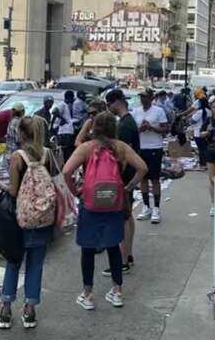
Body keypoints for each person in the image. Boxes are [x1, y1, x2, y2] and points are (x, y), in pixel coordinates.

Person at [63, 112, 148, 311]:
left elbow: (66, 171)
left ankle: (88, 294)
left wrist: (77, 192)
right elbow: (142, 168)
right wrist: (127, 187)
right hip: (114, 203)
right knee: (113, 246)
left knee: (88, 248)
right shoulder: (121, 147)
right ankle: (117, 292)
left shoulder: (86, 148)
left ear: (95, 127)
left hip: (91, 203)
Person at [0, 116, 55, 329]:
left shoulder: (18, 157)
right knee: (35, 265)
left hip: (21, 219)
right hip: (44, 219)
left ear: (21, 134)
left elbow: (14, 191)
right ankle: (29, 310)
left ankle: (6, 310)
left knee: (13, 262)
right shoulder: (48, 154)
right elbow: (53, 184)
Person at [104, 89, 141, 275]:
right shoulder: (128, 122)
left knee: (123, 219)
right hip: (128, 178)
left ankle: (123, 259)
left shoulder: (125, 126)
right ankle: (128, 255)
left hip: (124, 178)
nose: (109, 109)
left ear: (117, 102)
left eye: (109, 104)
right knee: (127, 216)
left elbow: (125, 156)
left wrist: (117, 176)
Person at [132, 89, 169, 224]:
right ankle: (146, 206)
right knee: (142, 178)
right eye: (141, 97)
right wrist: (141, 129)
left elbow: (166, 129)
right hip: (140, 148)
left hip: (155, 148)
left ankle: (156, 208)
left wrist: (151, 127)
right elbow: (132, 131)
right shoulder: (135, 111)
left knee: (154, 179)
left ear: (151, 98)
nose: (142, 99)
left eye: (145, 97)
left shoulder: (158, 111)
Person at [189, 95, 211, 172]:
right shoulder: (209, 111)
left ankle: (203, 164)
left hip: (198, 133)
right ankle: (207, 163)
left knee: (201, 149)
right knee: (205, 148)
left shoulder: (199, 112)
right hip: (207, 133)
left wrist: (191, 115)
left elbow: (191, 121)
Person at [58, 91, 77, 162]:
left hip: (68, 131)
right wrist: (63, 119)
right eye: (72, 99)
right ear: (69, 98)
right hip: (64, 132)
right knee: (66, 151)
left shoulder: (67, 105)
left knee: (68, 151)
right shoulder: (62, 105)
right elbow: (55, 112)